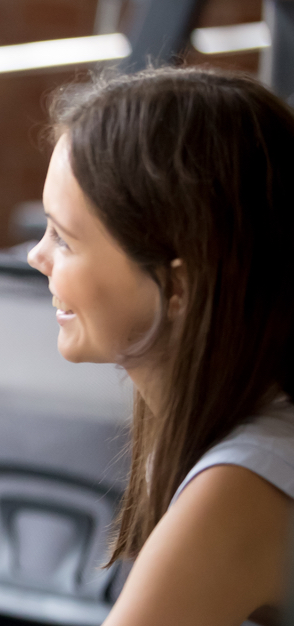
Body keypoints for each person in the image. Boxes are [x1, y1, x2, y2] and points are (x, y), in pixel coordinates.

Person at [27, 67, 294, 626]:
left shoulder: (239, 485)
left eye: (64, 238)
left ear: (176, 286)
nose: (37, 256)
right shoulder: (236, 424)